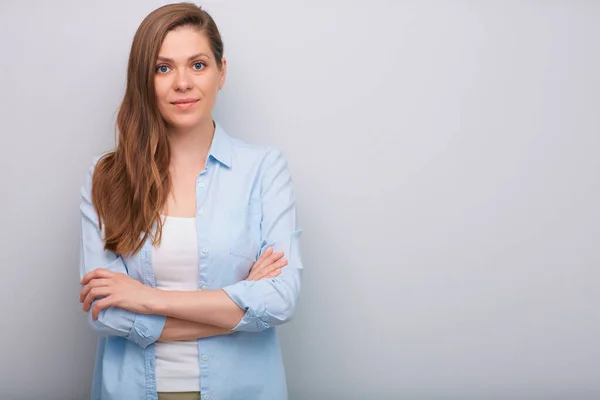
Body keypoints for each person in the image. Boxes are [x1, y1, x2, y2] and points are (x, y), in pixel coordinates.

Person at [78, 3, 303, 400]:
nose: (182, 82)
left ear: (222, 72)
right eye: (163, 68)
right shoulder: (106, 175)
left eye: (197, 65)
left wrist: (147, 298)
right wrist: (239, 306)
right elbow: (106, 312)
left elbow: (280, 300)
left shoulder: (264, 169)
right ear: (144, 80)